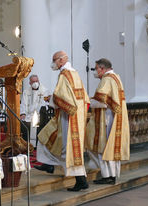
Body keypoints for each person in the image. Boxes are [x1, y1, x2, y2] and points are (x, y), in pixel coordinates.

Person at [35, 51, 90, 192]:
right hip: (76, 115)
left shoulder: (64, 74)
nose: (52, 63)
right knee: (51, 138)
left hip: (68, 117)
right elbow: (84, 96)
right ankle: (49, 165)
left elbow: (61, 97)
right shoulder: (75, 73)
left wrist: (51, 100)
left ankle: (81, 181)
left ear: (60, 60)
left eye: (54, 60)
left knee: (69, 148)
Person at [85, 58, 130, 185]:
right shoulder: (116, 77)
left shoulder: (107, 79)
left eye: (96, 68)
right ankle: (112, 175)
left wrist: (86, 102)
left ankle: (107, 176)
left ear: (102, 68)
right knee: (110, 148)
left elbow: (101, 101)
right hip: (114, 117)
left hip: (107, 118)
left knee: (103, 147)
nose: (95, 71)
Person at [20, 74, 50, 147]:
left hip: (39, 114)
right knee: (24, 124)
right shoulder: (26, 91)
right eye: (33, 81)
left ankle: (37, 146)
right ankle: (26, 145)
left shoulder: (44, 90)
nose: (35, 83)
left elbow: (45, 104)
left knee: (40, 124)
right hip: (28, 114)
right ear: (30, 83)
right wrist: (23, 113)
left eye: (36, 81)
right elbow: (23, 103)